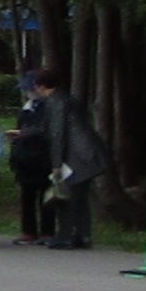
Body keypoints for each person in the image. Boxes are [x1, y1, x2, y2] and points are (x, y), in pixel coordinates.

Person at [37, 66, 112, 250]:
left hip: (75, 155)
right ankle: (82, 234)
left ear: (42, 86)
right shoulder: (67, 99)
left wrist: (56, 164)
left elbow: (57, 133)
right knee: (81, 197)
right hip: (88, 152)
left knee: (66, 195)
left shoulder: (55, 103)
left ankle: (65, 236)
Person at [10, 71, 54, 244]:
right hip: (25, 159)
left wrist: (24, 134)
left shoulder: (49, 107)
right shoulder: (27, 108)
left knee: (46, 197)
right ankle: (28, 231)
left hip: (43, 158)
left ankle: (47, 232)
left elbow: (46, 131)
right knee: (27, 197)